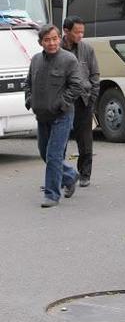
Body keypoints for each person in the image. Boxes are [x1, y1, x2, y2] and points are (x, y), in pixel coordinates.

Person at [25, 24, 82, 208]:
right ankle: (70, 175)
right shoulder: (35, 60)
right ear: (41, 42)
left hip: (62, 116)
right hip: (41, 115)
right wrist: (30, 100)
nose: (52, 43)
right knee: (44, 153)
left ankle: (51, 195)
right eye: (47, 40)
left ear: (60, 38)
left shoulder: (69, 60)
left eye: (55, 38)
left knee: (54, 154)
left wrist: (62, 104)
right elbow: (28, 83)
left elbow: (76, 86)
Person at [62, 16, 100, 188]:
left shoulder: (87, 50)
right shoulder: (57, 49)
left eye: (82, 32)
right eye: (77, 32)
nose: (80, 35)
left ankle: (85, 174)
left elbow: (95, 75)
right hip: (63, 101)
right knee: (59, 140)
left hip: (84, 100)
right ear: (66, 31)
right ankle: (61, 175)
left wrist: (92, 96)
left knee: (85, 140)